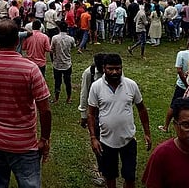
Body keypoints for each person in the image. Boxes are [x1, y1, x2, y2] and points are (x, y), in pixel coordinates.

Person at [0, 19, 52, 188]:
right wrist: (44, 138)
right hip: (24, 143)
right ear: (17, 40)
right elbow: (45, 110)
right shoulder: (30, 69)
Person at [88, 53, 151, 188]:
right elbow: (91, 114)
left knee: (130, 177)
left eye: (118, 68)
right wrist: (93, 137)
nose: (115, 72)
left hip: (128, 140)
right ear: (104, 68)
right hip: (106, 141)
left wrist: (147, 133)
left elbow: (141, 109)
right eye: (111, 69)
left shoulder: (131, 85)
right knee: (110, 177)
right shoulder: (96, 87)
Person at [158, 35, 189, 133]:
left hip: (182, 84)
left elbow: (179, 70)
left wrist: (185, 82)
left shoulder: (181, 54)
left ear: (188, 42)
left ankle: (166, 126)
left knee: (174, 105)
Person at [78, 53, 106, 186]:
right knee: (98, 143)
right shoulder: (88, 73)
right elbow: (84, 94)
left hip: (110, 112)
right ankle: (102, 172)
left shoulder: (113, 71)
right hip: (95, 113)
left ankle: (109, 169)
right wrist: (84, 115)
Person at [50, 21, 76, 103]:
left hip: (57, 63)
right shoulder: (71, 39)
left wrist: (53, 60)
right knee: (68, 81)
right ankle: (68, 98)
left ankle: (56, 98)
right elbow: (73, 46)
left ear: (59, 28)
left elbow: (51, 50)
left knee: (57, 82)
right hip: (67, 63)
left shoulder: (54, 38)